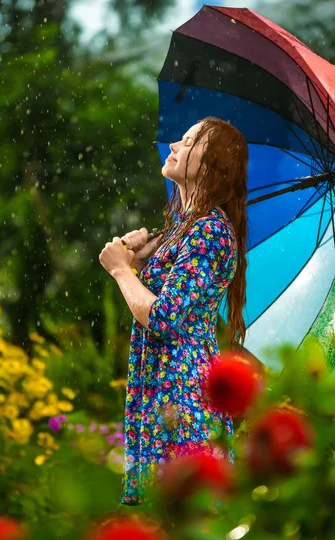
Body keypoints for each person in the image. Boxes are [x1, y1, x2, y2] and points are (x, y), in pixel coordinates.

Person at [99, 116, 248, 506]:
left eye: (187, 142)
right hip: (165, 389)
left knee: (182, 525)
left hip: (183, 397)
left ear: (212, 163)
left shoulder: (210, 232)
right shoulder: (186, 228)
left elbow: (164, 317)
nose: (174, 147)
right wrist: (135, 259)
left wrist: (119, 270)